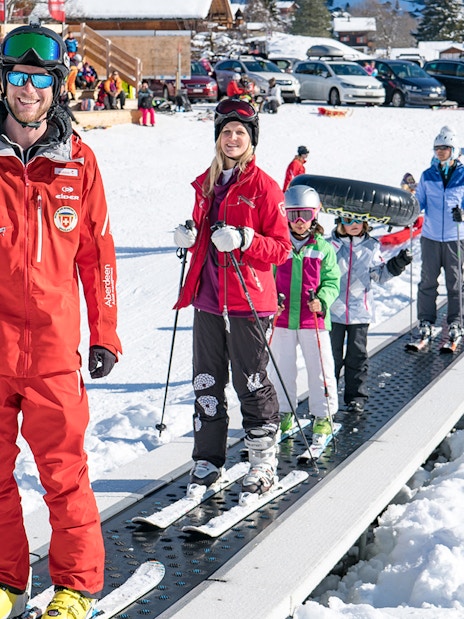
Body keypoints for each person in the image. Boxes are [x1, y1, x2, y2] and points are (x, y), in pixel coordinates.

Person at [0, 23, 122, 619]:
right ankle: (6, 582)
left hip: (52, 353)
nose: (28, 90)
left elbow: (98, 252)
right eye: (18, 77)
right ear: (4, 83)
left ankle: (75, 589)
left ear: (56, 86)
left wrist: (105, 331)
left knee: (64, 476)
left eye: (40, 79)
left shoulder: (79, 162)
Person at [173, 99, 291, 496]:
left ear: (251, 138)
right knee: (206, 382)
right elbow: (206, 238)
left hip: (249, 301)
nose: (233, 138)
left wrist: (245, 240)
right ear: (218, 138)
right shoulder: (206, 183)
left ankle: (262, 461)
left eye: (241, 132)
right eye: (226, 131)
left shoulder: (264, 186)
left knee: (252, 382)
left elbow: (282, 247)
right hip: (208, 299)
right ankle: (208, 460)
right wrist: (190, 238)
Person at [270, 186, 340, 443]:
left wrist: (322, 300)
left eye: (305, 214)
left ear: (315, 215)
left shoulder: (323, 248)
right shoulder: (278, 246)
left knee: (320, 369)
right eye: (293, 214)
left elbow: (332, 281)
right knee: (281, 368)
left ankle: (324, 417)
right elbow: (268, 278)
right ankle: (284, 413)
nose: (299, 221)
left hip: (314, 319)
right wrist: (270, 302)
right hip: (283, 319)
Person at [330, 215, 412, 413]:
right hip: (333, 311)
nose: (354, 225)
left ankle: (355, 396)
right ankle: (327, 396)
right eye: (348, 221)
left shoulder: (371, 247)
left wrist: (398, 263)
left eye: (358, 221)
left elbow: (380, 275)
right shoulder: (330, 245)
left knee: (357, 355)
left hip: (359, 312)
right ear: (340, 222)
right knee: (331, 356)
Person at [416, 126, 464, 341]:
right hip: (431, 237)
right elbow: (420, 202)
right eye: (437, 148)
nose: (440, 152)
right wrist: (410, 207)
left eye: (444, 148)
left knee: (455, 282)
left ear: (453, 150)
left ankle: (456, 320)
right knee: (428, 280)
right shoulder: (428, 175)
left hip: (455, 237)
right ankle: (426, 320)